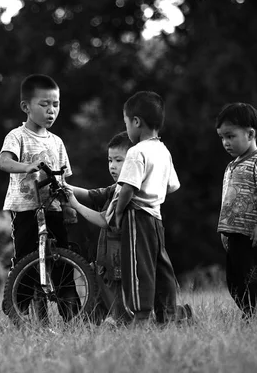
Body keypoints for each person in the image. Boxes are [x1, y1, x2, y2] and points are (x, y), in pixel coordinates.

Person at [0, 73, 79, 320]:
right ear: (26, 107)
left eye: (55, 105)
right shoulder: (17, 136)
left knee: (62, 262)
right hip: (25, 210)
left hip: (53, 209)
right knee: (26, 261)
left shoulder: (57, 142)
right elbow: (3, 161)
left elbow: (63, 179)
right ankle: (19, 310)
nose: (51, 111)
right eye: (44, 105)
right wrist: (26, 166)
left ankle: (73, 317)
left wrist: (68, 206)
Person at [106, 91, 184, 325]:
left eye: (126, 123)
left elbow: (128, 188)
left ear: (136, 121)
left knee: (138, 267)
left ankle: (140, 317)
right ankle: (167, 314)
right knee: (160, 266)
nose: (127, 128)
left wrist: (118, 212)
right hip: (156, 219)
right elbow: (172, 186)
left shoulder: (137, 151)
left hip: (136, 217)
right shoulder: (163, 151)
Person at [215, 102, 257, 320]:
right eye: (222, 137)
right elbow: (228, 202)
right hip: (234, 236)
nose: (225, 142)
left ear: (250, 133)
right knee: (235, 281)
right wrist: (225, 231)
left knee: (256, 278)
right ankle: (250, 314)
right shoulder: (231, 166)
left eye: (230, 136)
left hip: (254, 236)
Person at [67, 131, 133, 324]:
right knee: (94, 315)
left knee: (121, 314)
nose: (113, 166)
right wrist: (64, 186)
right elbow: (91, 195)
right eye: (110, 160)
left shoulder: (129, 192)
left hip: (121, 265)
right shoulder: (114, 189)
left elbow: (104, 219)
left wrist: (75, 205)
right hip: (105, 265)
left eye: (119, 160)